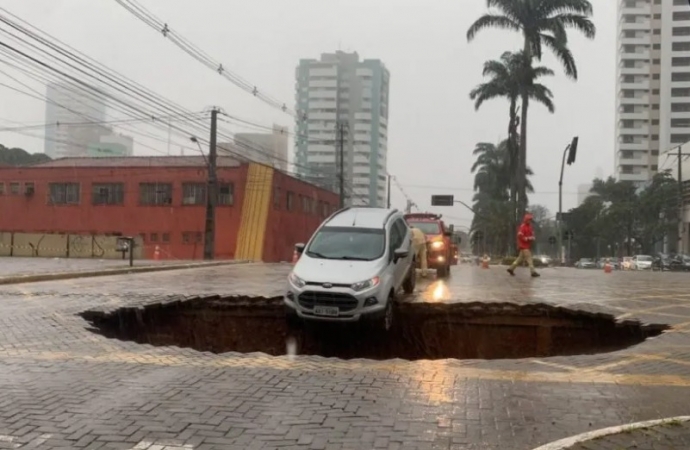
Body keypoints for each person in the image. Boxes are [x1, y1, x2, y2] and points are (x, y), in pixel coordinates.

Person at [507, 213, 540, 277]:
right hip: (524, 246)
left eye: (530, 220)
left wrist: (532, 237)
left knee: (519, 259)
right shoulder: (523, 227)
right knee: (529, 259)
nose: (530, 221)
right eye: (529, 220)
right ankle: (533, 272)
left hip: (525, 246)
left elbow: (531, 234)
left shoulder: (529, 227)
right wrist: (527, 239)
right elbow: (520, 235)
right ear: (526, 220)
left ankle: (511, 268)